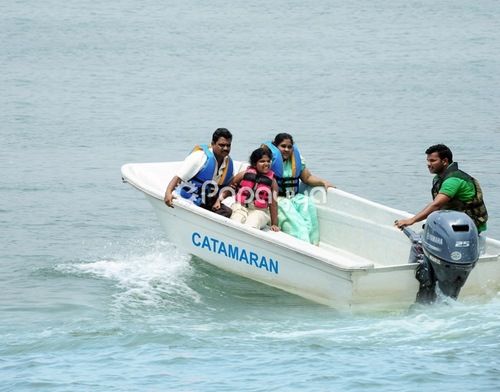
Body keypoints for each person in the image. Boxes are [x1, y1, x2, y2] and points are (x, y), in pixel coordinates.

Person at [395, 144, 488, 233]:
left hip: (469, 225)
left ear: (444, 161)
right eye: (428, 160)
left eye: (432, 160)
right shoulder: (439, 178)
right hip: (454, 221)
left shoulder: (453, 180)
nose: (428, 164)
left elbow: (436, 205)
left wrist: (412, 220)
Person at [263, 133, 334, 244]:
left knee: (308, 207)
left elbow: (307, 178)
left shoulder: (297, 160)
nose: (286, 149)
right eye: (283, 146)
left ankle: (314, 245)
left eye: (289, 147)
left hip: (294, 197)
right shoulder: (269, 161)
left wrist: (322, 182)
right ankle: (302, 246)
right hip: (278, 200)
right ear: (276, 147)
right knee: (298, 226)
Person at [163, 128, 234, 218]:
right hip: (189, 197)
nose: (225, 148)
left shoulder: (228, 162)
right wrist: (168, 192)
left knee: (227, 212)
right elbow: (179, 176)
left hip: (207, 199)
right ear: (213, 144)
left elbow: (228, 185)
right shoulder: (199, 157)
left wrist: (219, 201)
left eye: (228, 145)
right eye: (222, 145)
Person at [228, 147, 280, 231]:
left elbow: (273, 204)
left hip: (260, 211)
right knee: (235, 221)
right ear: (254, 164)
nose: (266, 163)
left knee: (252, 224)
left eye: (268, 161)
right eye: (262, 161)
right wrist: (219, 200)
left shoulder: (273, 182)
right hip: (241, 207)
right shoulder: (244, 174)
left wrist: (274, 224)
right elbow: (229, 187)